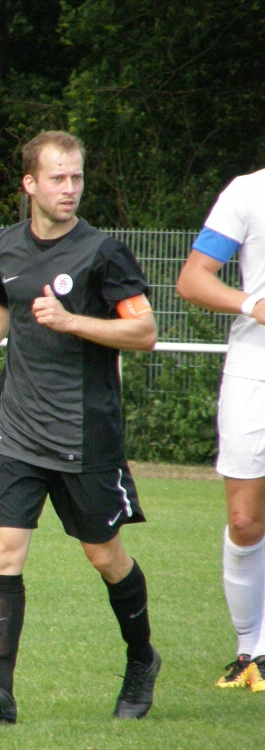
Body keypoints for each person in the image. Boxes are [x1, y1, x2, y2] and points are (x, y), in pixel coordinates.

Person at [0, 131, 160, 724]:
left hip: (82, 434)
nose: (70, 189)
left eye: (77, 178)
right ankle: (0, 691)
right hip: (16, 427)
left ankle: (141, 658)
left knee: (104, 556)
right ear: (30, 184)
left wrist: (72, 322)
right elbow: (2, 302)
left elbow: (144, 332)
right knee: (3, 549)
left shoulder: (104, 253)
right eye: (58, 178)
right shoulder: (6, 245)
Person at [176, 167, 265, 692]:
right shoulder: (248, 191)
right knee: (245, 519)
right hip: (254, 372)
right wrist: (252, 304)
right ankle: (247, 647)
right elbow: (193, 278)